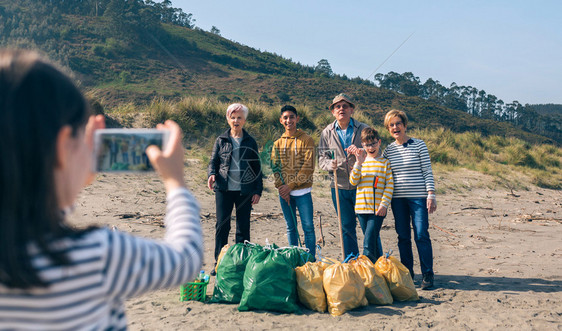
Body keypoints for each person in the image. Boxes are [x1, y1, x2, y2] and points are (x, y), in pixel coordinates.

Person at [0, 49, 203, 329]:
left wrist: (71, 171)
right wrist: (176, 183)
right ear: (62, 147)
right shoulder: (97, 255)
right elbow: (186, 259)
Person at [382, 109, 437, 290]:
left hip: (418, 198)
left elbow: (427, 171)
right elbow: (380, 170)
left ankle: (427, 274)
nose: (395, 127)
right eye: (391, 125)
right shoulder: (388, 150)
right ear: (388, 129)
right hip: (397, 200)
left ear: (405, 125)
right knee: (403, 236)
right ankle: (408, 274)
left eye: (398, 123)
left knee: (421, 234)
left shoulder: (419, 145)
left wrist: (431, 194)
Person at [207, 103, 263, 276]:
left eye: (239, 117)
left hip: (244, 191)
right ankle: (219, 263)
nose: (236, 120)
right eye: (233, 117)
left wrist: (257, 190)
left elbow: (256, 167)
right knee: (222, 226)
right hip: (223, 188)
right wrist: (211, 174)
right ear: (228, 119)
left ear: (244, 120)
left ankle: (242, 263)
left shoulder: (250, 141)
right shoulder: (221, 140)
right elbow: (213, 161)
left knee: (243, 227)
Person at [318, 93, 370, 258]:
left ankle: (374, 263)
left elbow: (376, 155)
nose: (341, 109)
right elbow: (321, 159)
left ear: (352, 110)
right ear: (333, 111)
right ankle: (352, 263)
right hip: (338, 186)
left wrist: (362, 157)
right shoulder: (327, 132)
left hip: (362, 186)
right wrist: (329, 165)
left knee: (367, 227)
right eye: (337, 107)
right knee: (346, 227)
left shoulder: (363, 129)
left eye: (345, 106)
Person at [271, 105, 316, 257]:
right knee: (291, 227)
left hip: (303, 192)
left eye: (291, 117)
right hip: (285, 194)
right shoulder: (277, 143)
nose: (288, 120)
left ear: (297, 118)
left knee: (308, 227)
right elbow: (275, 167)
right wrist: (282, 189)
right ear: (281, 121)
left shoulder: (307, 140)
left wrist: (290, 186)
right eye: (285, 117)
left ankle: (310, 261)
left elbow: (308, 166)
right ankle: (293, 258)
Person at [349, 128, 394, 263]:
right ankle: (380, 268)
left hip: (377, 210)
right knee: (372, 240)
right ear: (362, 145)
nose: (371, 147)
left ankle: (366, 271)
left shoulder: (385, 163)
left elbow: (389, 185)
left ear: (379, 142)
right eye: (367, 145)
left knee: (368, 242)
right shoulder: (361, 162)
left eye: (373, 143)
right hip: (361, 209)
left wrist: (384, 204)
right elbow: (353, 181)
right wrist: (358, 163)